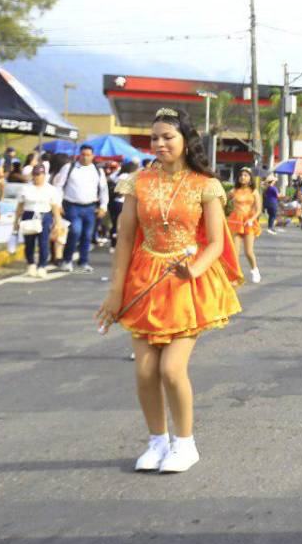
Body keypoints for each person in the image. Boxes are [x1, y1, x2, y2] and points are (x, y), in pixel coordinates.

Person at [95, 107, 242, 474]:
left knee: (172, 370)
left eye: (167, 137)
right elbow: (125, 239)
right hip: (144, 278)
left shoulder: (205, 184)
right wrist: (115, 292)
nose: (159, 143)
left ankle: (185, 443)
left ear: (185, 141)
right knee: (145, 372)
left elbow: (215, 243)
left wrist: (193, 269)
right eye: (155, 137)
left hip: (186, 282)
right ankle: (157, 442)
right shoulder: (137, 182)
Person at [51, 145, 108, 272]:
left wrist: (103, 206)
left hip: (90, 207)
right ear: (79, 155)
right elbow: (58, 186)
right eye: (83, 154)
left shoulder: (98, 171)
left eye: (88, 155)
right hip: (72, 206)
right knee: (75, 232)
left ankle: (83, 262)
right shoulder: (69, 168)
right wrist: (58, 204)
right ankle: (67, 260)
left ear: (93, 156)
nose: (85, 157)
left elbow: (103, 190)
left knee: (87, 235)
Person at [13, 163, 62, 277]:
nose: (37, 177)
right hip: (28, 215)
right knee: (29, 242)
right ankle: (31, 264)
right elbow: (20, 206)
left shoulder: (50, 189)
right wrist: (16, 221)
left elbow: (55, 207)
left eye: (39, 174)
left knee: (43, 242)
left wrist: (58, 222)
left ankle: (42, 265)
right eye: (35, 174)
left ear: (44, 175)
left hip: (44, 215)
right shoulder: (26, 188)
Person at [226, 167, 263, 284]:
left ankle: (254, 269)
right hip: (235, 221)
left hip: (248, 222)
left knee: (248, 252)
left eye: (246, 175)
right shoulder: (233, 191)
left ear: (250, 178)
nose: (243, 177)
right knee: (235, 252)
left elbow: (258, 210)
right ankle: (235, 276)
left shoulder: (254, 192)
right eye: (241, 175)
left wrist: (252, 219)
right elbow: (222, 201)